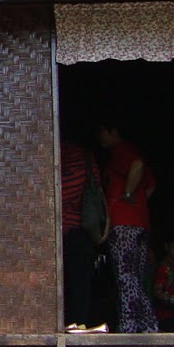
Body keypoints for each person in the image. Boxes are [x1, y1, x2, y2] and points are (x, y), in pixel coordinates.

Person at [97, 122, 157, 333]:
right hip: (139, 223)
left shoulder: (120, 150)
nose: (100, 137)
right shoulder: (129, 150)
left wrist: (128, 195)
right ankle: (147, 325)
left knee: (126, 277)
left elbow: (137, 165)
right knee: (135, 278)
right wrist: (138, 203)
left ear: (113, 130)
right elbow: (150, 186)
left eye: (103, 131)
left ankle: (131, 327)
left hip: (124, 226)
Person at [61, 137, 107, 328]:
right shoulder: (86, 158)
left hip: (55, 230)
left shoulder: (46, 153)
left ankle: (54, 323)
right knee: (80, 282)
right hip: (81, 228)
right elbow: (97, 189)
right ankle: (79, 324)